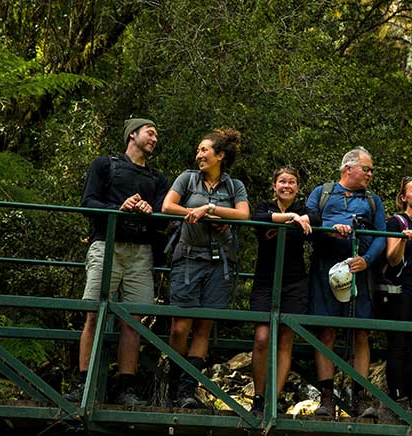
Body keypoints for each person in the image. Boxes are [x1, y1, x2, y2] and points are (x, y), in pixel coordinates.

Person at [66, 118, 169, 405]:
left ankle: (126, 386)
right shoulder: (104, 165)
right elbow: (88, 203)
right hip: (106, 245)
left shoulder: (157, 179)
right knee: (94, 313)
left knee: (133, 320)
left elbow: (164, 216)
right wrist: (119, 208)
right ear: (132, 135)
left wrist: (152, 211)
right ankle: (84, 383)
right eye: (150, 132)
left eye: (156, 135)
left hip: (141, 252)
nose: (154, 138)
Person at [162, 128, 250, 409]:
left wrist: (211, 209)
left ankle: (187, 390)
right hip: (188, 258)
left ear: (220, 156)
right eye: (199, 151)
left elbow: (243, 214)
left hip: (219, 262)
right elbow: (167, 206)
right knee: (180, 327)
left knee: (203, 326)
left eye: (204, 150)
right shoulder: (188, 179)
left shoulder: (234, 186)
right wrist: (195, 213)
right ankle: (172, 384)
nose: (199, 155)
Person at [305, 147, 386, 418]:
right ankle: (326, 399)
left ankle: (359, 398)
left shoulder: (373, 201)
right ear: (348, 168)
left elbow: (381, 235)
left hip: (360, 272)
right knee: (326, 331)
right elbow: (308, 224)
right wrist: (330, 231)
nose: (370, 174)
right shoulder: (322, 192)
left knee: (361, 332)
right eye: (367, 169)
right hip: (324, 269)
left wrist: (367, 259)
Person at [250, 166, 317, 416]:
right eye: (282, 182)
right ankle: (258, 397)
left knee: (285, 340)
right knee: (262, 338)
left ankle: (273, 401)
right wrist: (291, 219)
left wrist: (301, 218)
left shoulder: (304, 211)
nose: (286, 186)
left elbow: (318, 220)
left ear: (297, 187)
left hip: (294, 282)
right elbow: (257, 220)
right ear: (274, 186)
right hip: (265, 282)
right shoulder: (264, 207)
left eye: (291, 182)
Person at [374, 176, 412, 418]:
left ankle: (394, 399)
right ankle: (400, 398)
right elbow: (392, 258)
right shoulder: (396, 222)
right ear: (404, 197)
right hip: (399, 289)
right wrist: (403, 239)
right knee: (399, 344)